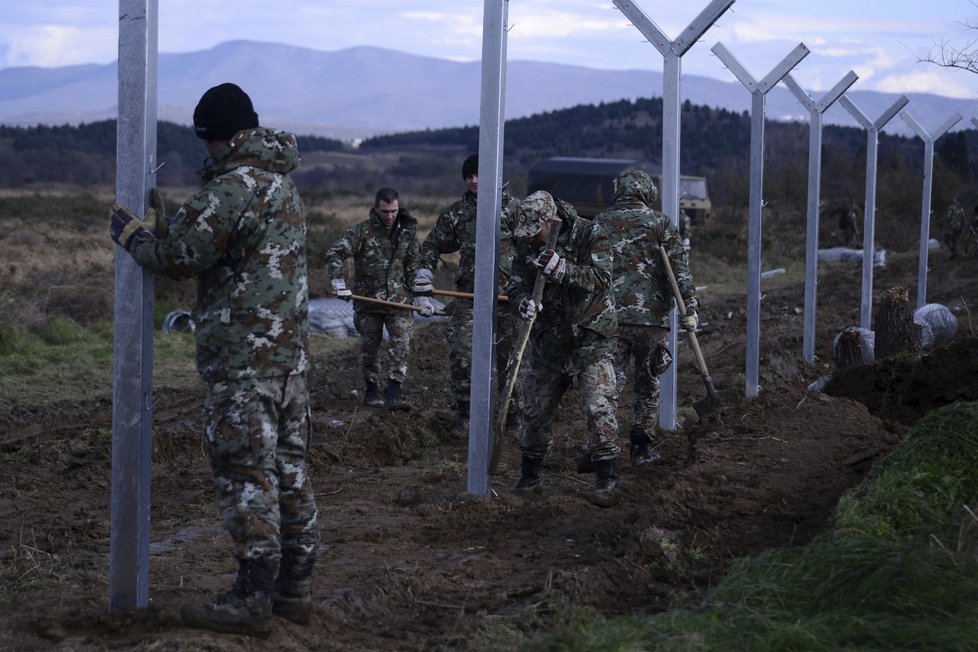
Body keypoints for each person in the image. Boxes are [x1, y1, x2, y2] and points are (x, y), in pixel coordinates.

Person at [109, 82, 319, 634]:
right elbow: (224, 247)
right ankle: (295, 589)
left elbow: (180, 255)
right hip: (289, 363)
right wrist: (177, 222)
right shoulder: (282, 186)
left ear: (216, 138)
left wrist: (134, 238)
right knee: (289, 469)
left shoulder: (231, 188)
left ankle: (251, 598)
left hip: (242, 365)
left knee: (245, 471)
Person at [504, 190, 621, 508]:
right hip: (550, 341)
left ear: (550, 220)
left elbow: (602, 279)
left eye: (535, 233)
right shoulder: (526, 243)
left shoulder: (590, 233)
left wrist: (564, 270)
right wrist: (522, 302)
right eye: (525, 235)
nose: (530, 240)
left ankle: (606, 479)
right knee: (535, 409)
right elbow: (515, 284)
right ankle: (530, 477)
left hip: (590, 338)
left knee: (599, 407)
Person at [593, 170, 699, 468]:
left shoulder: (601, 222)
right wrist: (689, 307)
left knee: (609, 387)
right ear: (646, 191)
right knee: (648, 384)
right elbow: (679, 270)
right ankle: (641, 449)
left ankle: (603, 447)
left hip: (610, 319)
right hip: (651, 322)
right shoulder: (661, 223)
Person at [413, 154, 522, 435]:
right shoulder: (457, 213)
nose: (474, 181)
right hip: (470, 296)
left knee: (510, 357)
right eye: (469, 176)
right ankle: (465, 415)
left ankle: (512, 417)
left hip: (508, 298)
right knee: (462, 352)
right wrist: (424, 274)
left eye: (479, 175)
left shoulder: (512, 209)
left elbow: (534, 249)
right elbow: (432, 245)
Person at [326, 187, 426, 410]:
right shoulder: (361, 232)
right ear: (376, 208)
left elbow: (413, 267)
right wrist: (338, 281)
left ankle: (394, 391)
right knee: (370, 347)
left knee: (401, 343)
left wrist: (420, 297)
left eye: (393, 211)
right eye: (384, 211)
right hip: (369, 303)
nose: (389, 216)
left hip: (399, 301)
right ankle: (371, 390)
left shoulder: (407, 233)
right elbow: (335, 252)